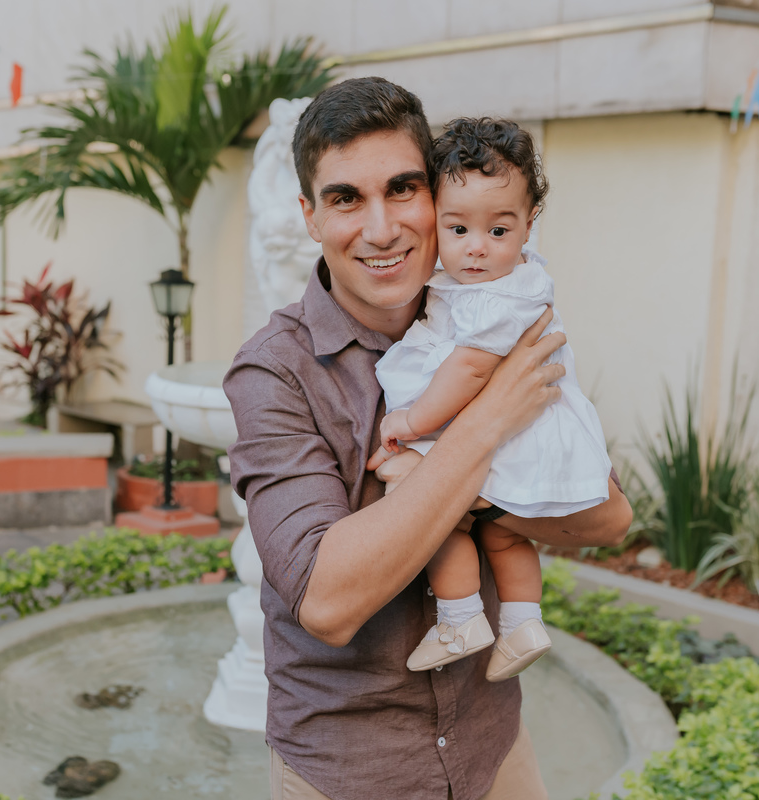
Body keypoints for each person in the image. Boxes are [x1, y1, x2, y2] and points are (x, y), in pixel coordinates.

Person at [224, 77, 633, 800]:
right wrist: (481, 429)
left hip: (492, 748)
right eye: (346, 198)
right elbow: (328, 600)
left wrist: (450, 484)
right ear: (310, 217)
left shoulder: (491, 314)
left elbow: (606, 518)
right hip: (353, 771)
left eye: (403, 189)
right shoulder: (273, 371)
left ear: (437, 198)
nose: (380, 228)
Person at [371, 117, 613, 681]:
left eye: (497, 232)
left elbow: (471, 368)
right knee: (503, 533)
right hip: (523, 432)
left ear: (529, 225)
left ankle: (460, 618)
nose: (476, 249)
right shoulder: (513, 281)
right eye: (458, 231)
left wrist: (410, 419)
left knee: (440, 514)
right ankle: (523, 623)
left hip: (508, 436)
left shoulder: (500, 297)